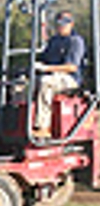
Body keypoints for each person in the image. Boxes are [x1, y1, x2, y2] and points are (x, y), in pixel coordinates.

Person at [32, 10, 86, 138]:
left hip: (70, 79)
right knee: (21, 83)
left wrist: (46, 68)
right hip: (52, 74)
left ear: (71, 24)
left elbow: (71, 67)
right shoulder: (54, 41)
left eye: (65, 22)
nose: (61, 25)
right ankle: (20, 124)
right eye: (59, 22)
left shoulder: (75, 41)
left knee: (46, 82)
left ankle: (43, 127)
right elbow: (44, 59)